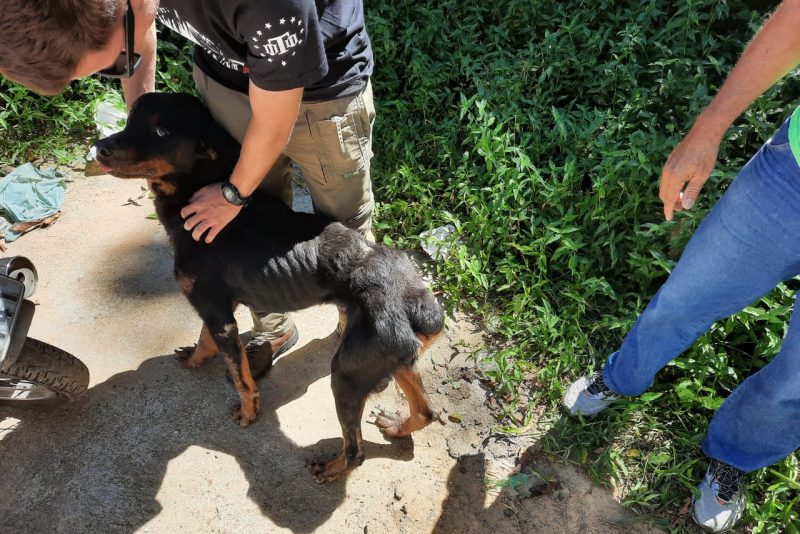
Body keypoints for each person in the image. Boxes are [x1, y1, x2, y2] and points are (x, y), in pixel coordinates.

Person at [0, 0, 376, 376]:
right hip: (227, 78)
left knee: (341, 221)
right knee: (256, 226)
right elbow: (134, 37)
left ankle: (358, 322)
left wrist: (232, 193)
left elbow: (274, 124)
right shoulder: (122, 15)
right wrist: (141, 139)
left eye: (115, 61)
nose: (122, 68)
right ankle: (274, 329)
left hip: (322, 92)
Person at [562, 1, 800, 531]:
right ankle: (620, 378)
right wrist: (709, 125)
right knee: (688, 294)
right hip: (792, 179)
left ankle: (735, 455)